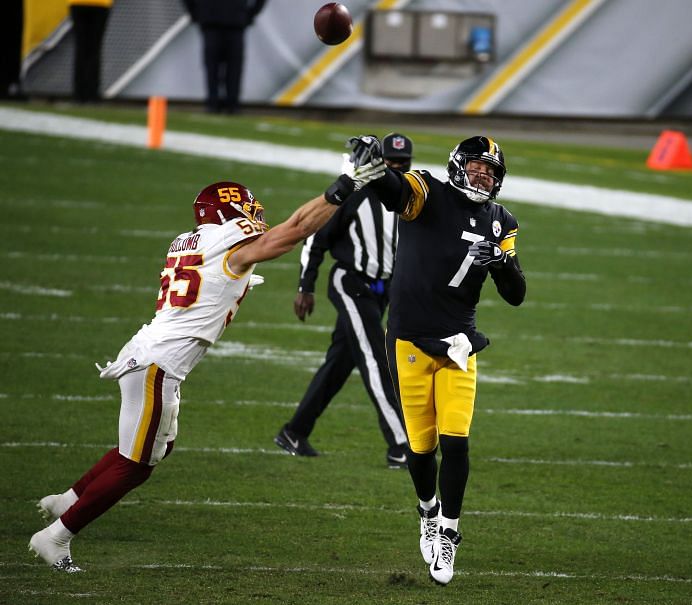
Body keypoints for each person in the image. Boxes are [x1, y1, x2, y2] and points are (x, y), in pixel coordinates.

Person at [28, 179, 350, 572]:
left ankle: (69, 499)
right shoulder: (230, 242)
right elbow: (296, 229)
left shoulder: (191, 241)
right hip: (157, 365)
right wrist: (341, 190)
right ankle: (56, 537)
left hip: (149, 356)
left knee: (155, 448)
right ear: (227, 214)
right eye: (245, 206)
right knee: (136, 465)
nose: (253, 213)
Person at [325, 135, 526, 585]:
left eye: (491, 172)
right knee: (421, 447)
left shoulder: (501, 221)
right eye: (477, 167)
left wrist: (501, 263)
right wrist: (376, 169)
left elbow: (516, 296)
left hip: (458, 341)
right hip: (411, 340)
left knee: (456, 440)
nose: (483, 176)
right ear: (459, 165)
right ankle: (427, 511)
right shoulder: (427, 191)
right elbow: (394, 191)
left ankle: (450, 532)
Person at [274, 133, 414, 469]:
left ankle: (294, 432)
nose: (395, 168)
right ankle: (400, 444)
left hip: (384, 290)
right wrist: (305, 286)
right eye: (390, 162)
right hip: (350, 282)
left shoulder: (410, 195)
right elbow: (316, 239)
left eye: (402, 163)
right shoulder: (356, 194)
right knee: (375, 358)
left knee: (340, 363)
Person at [182, 0, 267, 114]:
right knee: (212, 68)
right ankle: (213, 103)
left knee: (234, 68)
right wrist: (196, 13)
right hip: (211, 21)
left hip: (235, 22)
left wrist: (250, 14)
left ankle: (233, 103)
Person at [69, 0, 113, 103]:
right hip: (100, 4)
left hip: (78, 3)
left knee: (81, 49)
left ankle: (79, 94)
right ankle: (92, 94)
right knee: (94, 50)